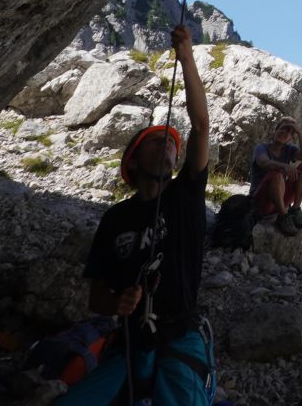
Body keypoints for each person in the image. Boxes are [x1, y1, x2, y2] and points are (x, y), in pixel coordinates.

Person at [63, 24, 213, 406]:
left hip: (181, 333)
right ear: (134, 160)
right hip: (130, 338)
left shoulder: (185, 195)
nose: (168, 146)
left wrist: (188, 59)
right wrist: (117, 305)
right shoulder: (116, 219)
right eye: (157, 141)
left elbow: (200, 126)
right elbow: (96, 294)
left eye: (171, 145)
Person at [250, 117, 302, 235]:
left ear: (290, 138)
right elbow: (264, 162)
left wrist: (299, 133)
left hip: (278, 201)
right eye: (283, 129)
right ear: (275, 130)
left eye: (290, 132)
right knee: (277, 175)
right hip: (260, 203)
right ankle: (283, 217)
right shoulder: (261, 147)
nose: (285, 133)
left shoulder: (289, 150)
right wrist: (285, 166)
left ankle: (295, 209)